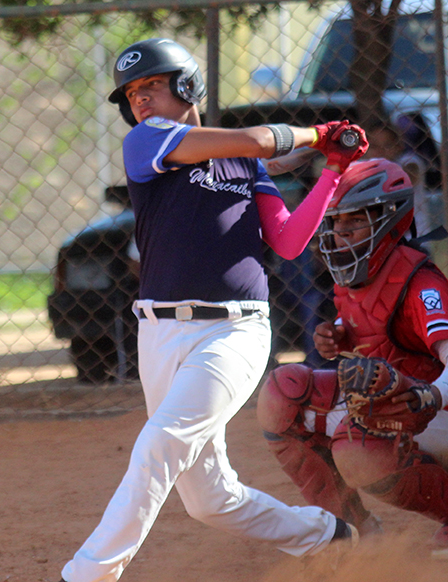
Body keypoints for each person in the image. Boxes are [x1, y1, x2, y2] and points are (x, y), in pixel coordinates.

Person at [59, 38, 369, 582]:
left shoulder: (245, 165)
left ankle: (87, 575)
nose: (140, 99)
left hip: (234, 333)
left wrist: (331, 172)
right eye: (131, 92)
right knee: (209, 499)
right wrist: (318, 136)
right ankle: (326, 536)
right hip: (159, 333)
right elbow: (258, 139)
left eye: (152, 85)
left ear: (188, 86)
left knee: (158, 446)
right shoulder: (146, 141)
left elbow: (288, 241)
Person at [256, 158, 448, 560]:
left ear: (389, 219)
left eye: (354, 221)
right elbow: (374, 326)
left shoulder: (418, 282)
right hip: (402, 407)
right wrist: (338, 334)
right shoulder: (358, 275)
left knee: (359, 443)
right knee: (284, 394)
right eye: (335, 223)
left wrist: (431, 395)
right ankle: (350, 528)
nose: (340, 233)